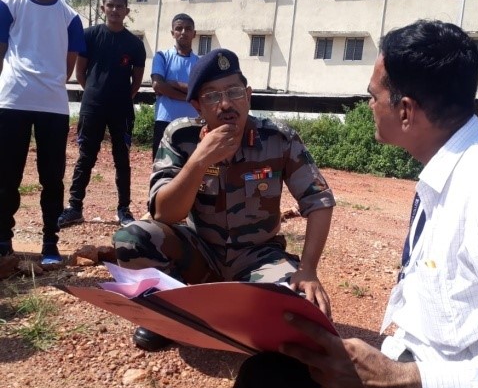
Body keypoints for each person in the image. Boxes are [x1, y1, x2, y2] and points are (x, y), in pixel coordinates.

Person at [230, 20, 478, 388]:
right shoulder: (454, 171)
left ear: (405, 111)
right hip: (421, 366)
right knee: (267, 375)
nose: (369, 106)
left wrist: (410, 383)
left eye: (373, 96)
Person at [112, 48, 336, 351]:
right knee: (131, 239)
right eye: (212, 96)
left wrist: (308, 269)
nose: (226, 104)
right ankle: (166, 314)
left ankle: (239, 310)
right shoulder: (180, 138)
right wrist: (199, 160)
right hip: (199, 253)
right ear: (196, 105)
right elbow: (165, 214)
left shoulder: (278, 139)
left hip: (258, 257)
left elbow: (319, 200)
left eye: (234, 92)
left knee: (303, 311)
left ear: (248, 95)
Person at [0, 0, 85, 265]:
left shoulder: (70, 18)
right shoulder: (7, 4)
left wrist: (47, 82)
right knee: (6, 176)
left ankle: (50, 242)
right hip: (12, 101)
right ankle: (3, 240)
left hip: (53, 106)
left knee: (52, 179)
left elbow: (67, 66)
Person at [57, 0, 146, 229]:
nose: (115, 10)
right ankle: (75, 207)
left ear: (127, 11)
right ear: (102, 8)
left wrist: (122, 98)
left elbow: (137, 81)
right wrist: (95, 94)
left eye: (120, 6)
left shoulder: (134, 44)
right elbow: (80, 73)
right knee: (86, 157)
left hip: (121, 110)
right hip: (92, 107)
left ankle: (124, 210)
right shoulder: (89, 36)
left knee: (122, 159)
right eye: (111, 5)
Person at [151, 13, 199, 159]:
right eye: (179, 28)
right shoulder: (162, 56)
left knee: (190, 166)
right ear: (173, 33)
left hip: (192, 123)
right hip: (165, 121)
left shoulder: (200, 63)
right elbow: (158, 85)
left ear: (194, 33)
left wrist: (173, 84)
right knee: (161, 165)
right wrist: (189, 98)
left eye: (188, 29)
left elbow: (201, 90)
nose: (183, 32)